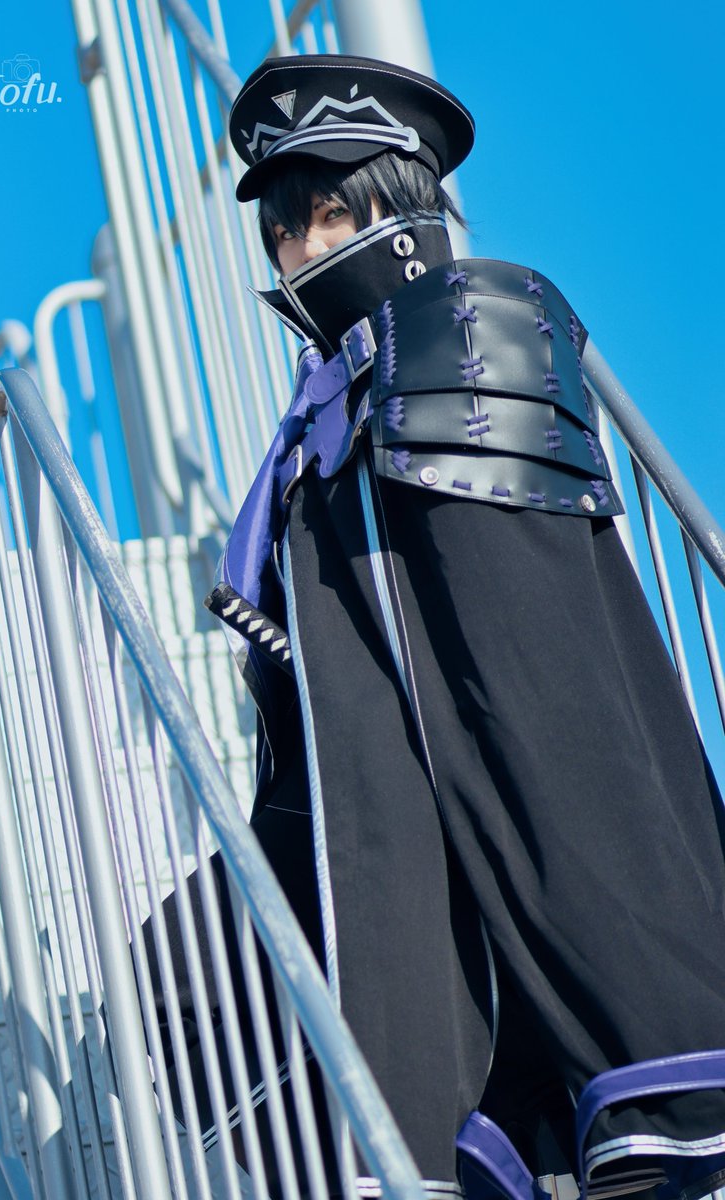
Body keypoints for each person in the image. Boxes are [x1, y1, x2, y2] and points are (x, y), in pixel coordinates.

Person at [153, 53, 725, 1200]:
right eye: (283, 230)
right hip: (387, 823)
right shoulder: (311, 434)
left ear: (399, 205)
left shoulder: (464, 333)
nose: (300, 251)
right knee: (180, 987)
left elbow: (543, 683)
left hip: (512, 801)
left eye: (329, 213)